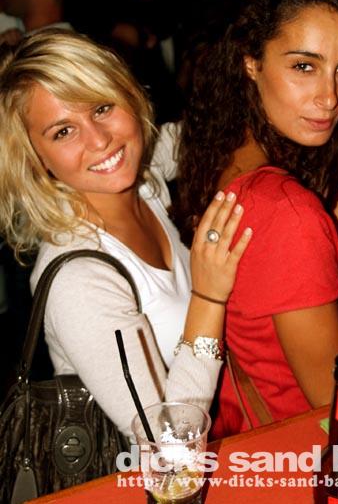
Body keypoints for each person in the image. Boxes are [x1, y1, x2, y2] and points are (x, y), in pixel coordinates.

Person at [174, 0, 338, 438]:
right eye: (303, 66)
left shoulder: (225, 158)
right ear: (251, 61)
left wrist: (327, 217)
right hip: (307, 456)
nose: (330, 97)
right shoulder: (288, 212)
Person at [0, 28, 252, 438]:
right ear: (36, 158)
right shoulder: (78, 281)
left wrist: (325, 201)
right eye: (63, 131)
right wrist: (209, 298)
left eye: (101, 107)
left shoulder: (144, 178)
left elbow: (221, 136)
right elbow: (166, 441)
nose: (100, 140)